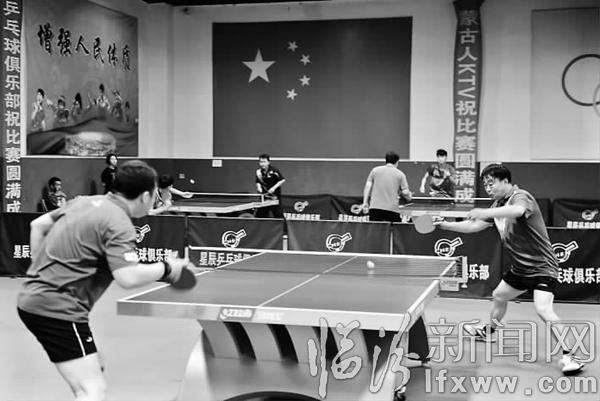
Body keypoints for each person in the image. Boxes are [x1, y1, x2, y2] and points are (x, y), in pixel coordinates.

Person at [17, 160, 196, 401]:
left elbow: (37, 225)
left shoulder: (82, 202)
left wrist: (37, 272)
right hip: (58, 309)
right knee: (92, 389)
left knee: (96, 362)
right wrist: (168, 269)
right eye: (153, 194)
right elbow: (127, 276)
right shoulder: (119, 223)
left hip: (34, 298)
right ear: (145, 196)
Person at [436, 164, 584, 374]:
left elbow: (518, 211)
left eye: (491, 183)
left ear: (505, 181)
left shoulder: (521, 197)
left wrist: (486, 211)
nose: (488, 188)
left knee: (543, 309)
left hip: (542, 267)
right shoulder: (498, 204)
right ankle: (488, 331)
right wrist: (445, 225)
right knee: (499, 295)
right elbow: (475, 225)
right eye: (485, 185)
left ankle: (571, 356)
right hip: (520, 268)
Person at [361, 151, 412, 222]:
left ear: (386, 160)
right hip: (392, 209)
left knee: (375, 228)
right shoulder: (400, 174)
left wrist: (365, 202)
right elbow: (405, 192)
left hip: (375, 207)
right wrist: (409, 197)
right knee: (395, 228)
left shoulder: (375, 170)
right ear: (397, 162)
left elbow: (368, 186)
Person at [254, 154, 285, 218]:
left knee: (279, 216)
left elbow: (282, 180)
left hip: (275, 197)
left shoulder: (274, 170)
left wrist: (273, 188)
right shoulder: (258, 172)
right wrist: (258, 187)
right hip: (264, 197)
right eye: (261, 162)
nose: (262, 164)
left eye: (264, 162)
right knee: (259, 216)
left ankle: (283, 225)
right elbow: (258, 182)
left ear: (268, 162)